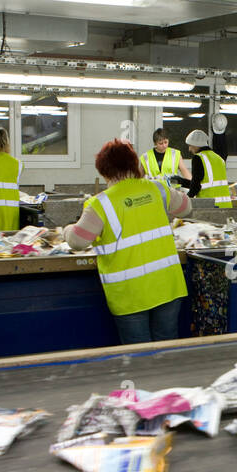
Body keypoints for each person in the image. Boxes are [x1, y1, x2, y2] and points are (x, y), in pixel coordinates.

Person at [63, 139, 191, 344]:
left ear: (104, 171)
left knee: (139, 356)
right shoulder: (157, 188)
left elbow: (77, 242)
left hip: (130, 294)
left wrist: (66, 229)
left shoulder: (100, 204)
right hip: (168, 286)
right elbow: (186, 208)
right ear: (135, 164)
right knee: (168, 351)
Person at [184, 128, 231, 207]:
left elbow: (196, 186)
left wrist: (185, 201)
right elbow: (207, 182)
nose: (189, 149)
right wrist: (181, 181)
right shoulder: (218, 158)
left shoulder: (198, 158)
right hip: (226, 205)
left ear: (196, 145)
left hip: (209, 206)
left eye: (190, 146)